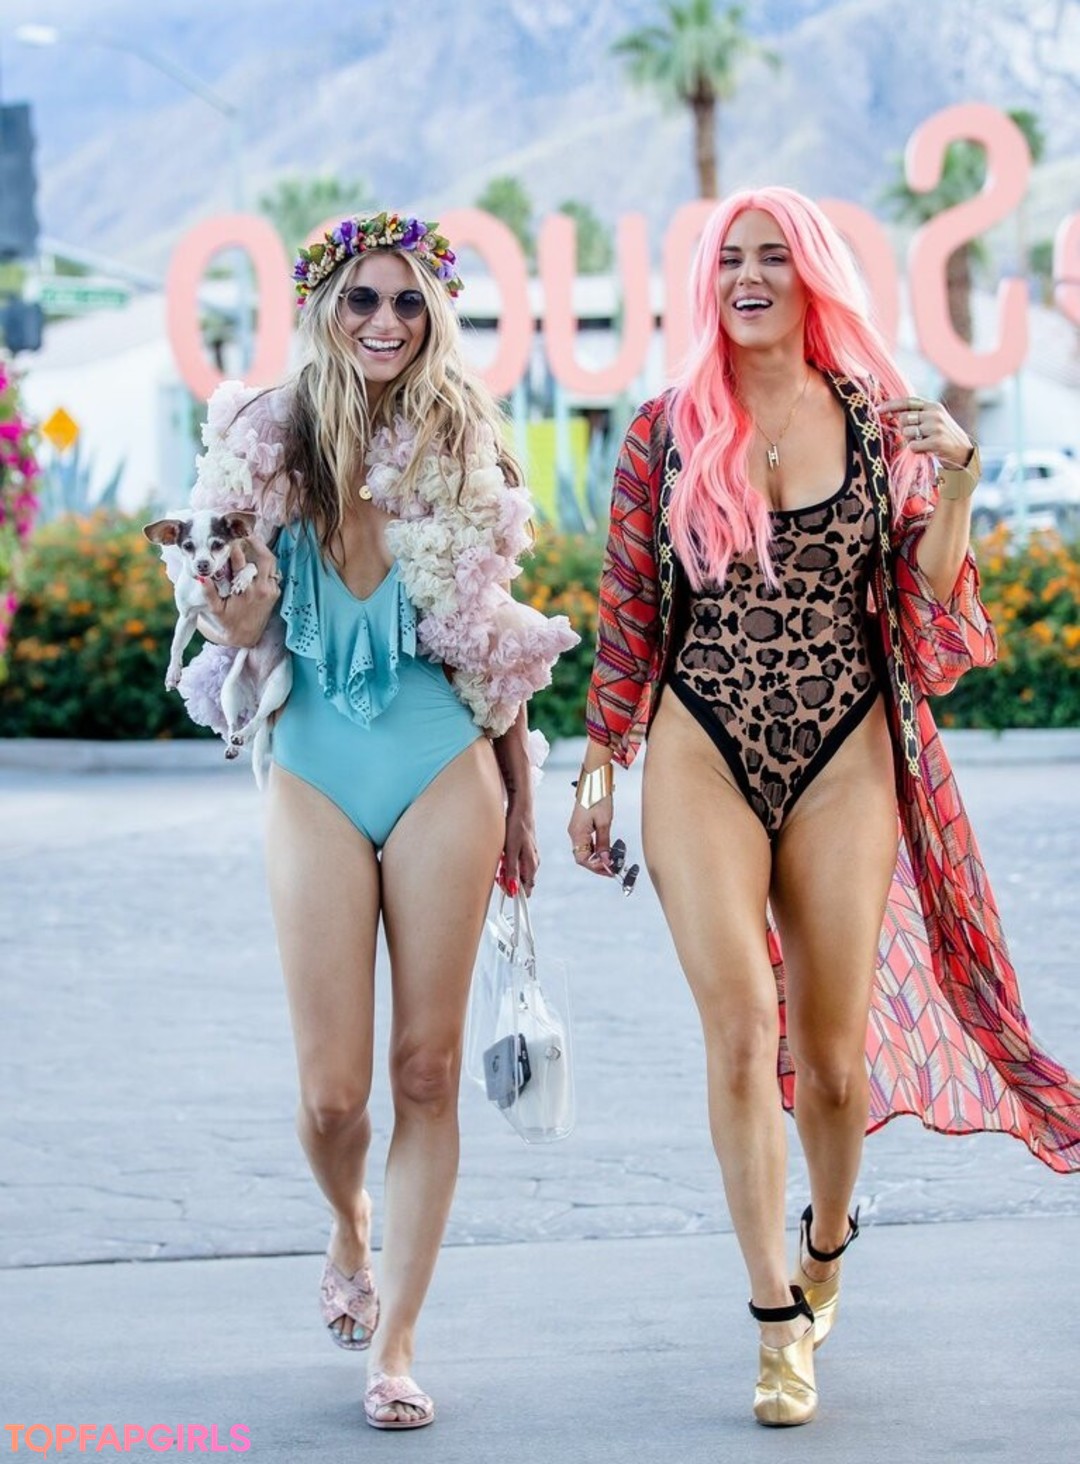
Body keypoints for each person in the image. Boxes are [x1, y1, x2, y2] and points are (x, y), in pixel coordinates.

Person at [569, 186, 1080, 1427]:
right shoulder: (665, 430)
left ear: (813, 276)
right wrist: (598, 764)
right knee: (743, 1028)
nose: (748, 277)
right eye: (729, 259)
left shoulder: (871, 419)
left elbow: (928, 601)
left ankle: (828, 1241)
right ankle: (771, 1319)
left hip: (843, 747)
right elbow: (630, 608)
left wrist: (956, 481)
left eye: (773, 257)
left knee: (836, 1067)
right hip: (701, 739)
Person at [175, 211, 577, 1431]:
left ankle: (394, 1342)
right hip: (315, 763)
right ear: (325, 309)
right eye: (363, 299)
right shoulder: (265, 438)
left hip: (439, 754)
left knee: (427, 1070)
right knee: (334, 1096)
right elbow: (240, 623)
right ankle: (349, 1222)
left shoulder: (467, 444)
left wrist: (520, 797)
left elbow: (489, 635)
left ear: (435, 315)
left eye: (408, 301)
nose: (386, 322)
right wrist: (228, 593)